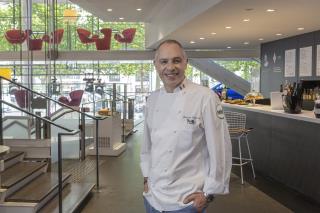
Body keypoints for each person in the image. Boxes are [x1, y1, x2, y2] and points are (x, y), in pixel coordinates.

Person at [140, 39, 232, 213]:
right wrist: (146, 178)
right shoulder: (152, 99)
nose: (170, 67)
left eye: (176, 60)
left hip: (186, 201)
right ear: (155, 65)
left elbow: (221, 149)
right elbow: (147, 146)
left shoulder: (206, 97)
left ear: (185, 62)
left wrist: (209, 193)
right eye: (164, 61)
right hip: (153, 198)